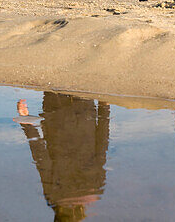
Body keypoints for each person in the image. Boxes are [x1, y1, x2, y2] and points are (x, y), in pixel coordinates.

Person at [15, 93, 110, 221]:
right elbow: (41, 158)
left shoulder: (94, 192)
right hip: (56, 113)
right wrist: (26, 123)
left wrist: (104, 107)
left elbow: (102, 147)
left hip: (83, 112)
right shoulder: (54, 195)